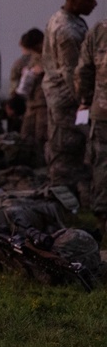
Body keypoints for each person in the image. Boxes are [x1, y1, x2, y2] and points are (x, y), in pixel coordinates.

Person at [42, 0, 97, 193]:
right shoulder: (67, 30)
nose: (95, 3)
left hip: (62, 97)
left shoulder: (68, 19)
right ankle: (63, 202)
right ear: (73, 0)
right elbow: (72, 73)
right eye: (89, 0)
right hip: (67, 100)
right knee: (66, 152)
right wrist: (84, 102)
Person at [74, 18, 107, 234]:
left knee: (103, 162)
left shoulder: (99, 29)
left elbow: (83, 70)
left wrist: (85, 100)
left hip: (103, 109)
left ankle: (104, 219)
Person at [14, 28, 47, 153]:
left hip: (44, 103)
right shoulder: (34, 56)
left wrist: (44, 70)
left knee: (41, 136)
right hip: (31, 102)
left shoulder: (51, 54)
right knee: (26, 136)